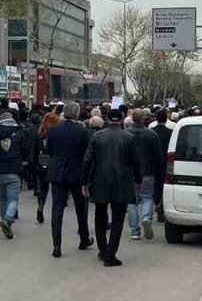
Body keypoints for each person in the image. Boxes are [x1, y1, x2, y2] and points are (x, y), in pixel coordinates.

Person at [83, 112, 140, 267]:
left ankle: (102, 249)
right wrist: (138, 179)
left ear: (107, 119)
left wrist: (85, 181)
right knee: (118, 217)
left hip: (100, 179)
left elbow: (88, 159)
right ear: (121, 120)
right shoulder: (129, 137)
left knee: (100, 215)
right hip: (122, 180)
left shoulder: (97, 136)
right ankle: (111, 253)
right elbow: (136, 161)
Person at [46, 102, 94, 258]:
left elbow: (49, 150)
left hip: (58, 173)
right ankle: (84, 238)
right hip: (77, 174)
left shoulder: (54, 130)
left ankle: (56, 244)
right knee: (81, 209)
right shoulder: (83, 132)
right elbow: (87, 155)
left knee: (57, 209)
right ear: (77, 113)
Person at [0, 108, 29, 239]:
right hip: (14, 170)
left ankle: (5, 220)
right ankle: (8, 219)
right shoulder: (19, 132)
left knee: (3, 199)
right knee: (13, 199)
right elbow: (25, 150)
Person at [125, 109, 163, 242]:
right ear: (144, 119)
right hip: (147, 171)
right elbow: (158, 156)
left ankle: (134, 231)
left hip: (129, 173)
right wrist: (159, 172)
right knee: (147, 197)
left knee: (131, 201)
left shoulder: (125, 134)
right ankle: (146, 217)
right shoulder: (151, 134)